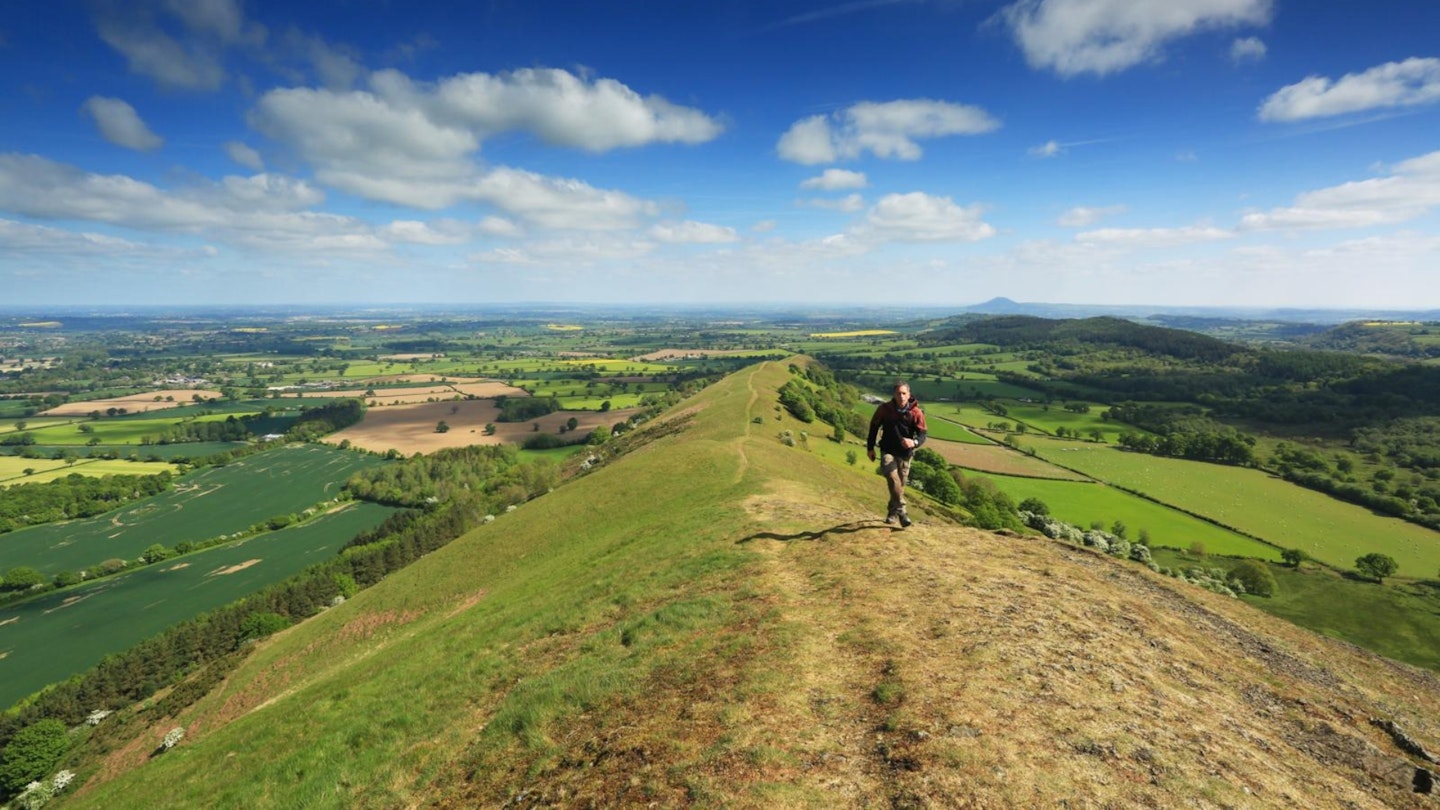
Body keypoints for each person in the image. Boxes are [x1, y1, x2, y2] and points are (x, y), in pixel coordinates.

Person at [866, 381, 927, 527]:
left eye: (904, 393)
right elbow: (874, 427)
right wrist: (870, 448)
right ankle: (903, 512)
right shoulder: (884, 409)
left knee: (899, 485)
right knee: (893, 478)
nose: (901, 396)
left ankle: (892, 513)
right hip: (888, 450)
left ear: (909, 394)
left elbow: (923, 434)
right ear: (894, 395)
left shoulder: (916, 413)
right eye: (898, 393)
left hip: (906, 454)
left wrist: (915, 443)